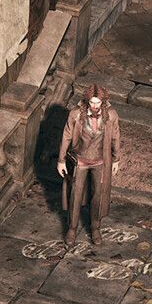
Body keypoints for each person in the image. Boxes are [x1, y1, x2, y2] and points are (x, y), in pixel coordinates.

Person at [57, 84, 122, 245]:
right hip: (80, 161)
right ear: (87, 101)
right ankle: (72, 229)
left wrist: (116, 159)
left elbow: (115, 137)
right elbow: (66, 136)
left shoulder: (111, 115)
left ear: (103, 102)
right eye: (92, 102)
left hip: (100, 161)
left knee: (98, 195)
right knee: (75, 194)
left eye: (98, 102)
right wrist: (61, 160)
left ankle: (95, 228)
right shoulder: (76, 114)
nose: (94, 106)